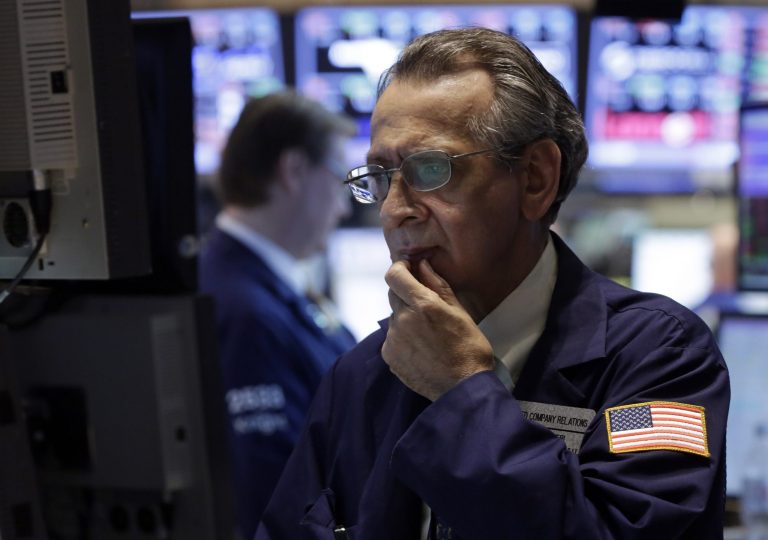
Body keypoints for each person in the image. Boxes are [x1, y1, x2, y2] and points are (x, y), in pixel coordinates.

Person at [255, 28, 730, 540]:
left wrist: (462, 386)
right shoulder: (360, 376)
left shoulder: (660, 358)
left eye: (430, 169)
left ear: (535, 179)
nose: (394, 211)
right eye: (380, 176)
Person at [198, 90, 358, 540]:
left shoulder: (268, 285)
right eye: (339, 179)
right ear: (293, 170)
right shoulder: (243, 309)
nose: (344, 208)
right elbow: (274, 492)